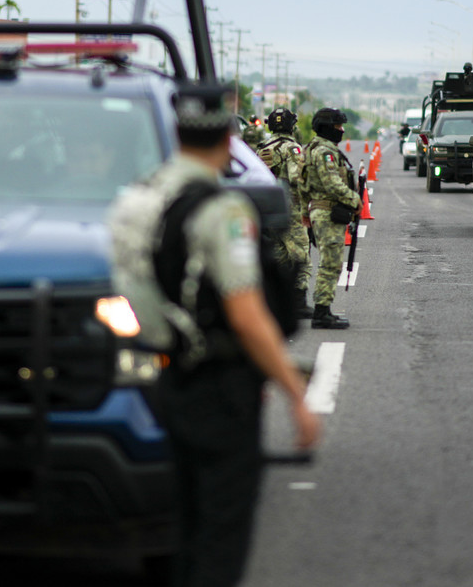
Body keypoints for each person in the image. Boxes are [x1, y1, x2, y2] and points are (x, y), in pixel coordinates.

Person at [112, 84, 321, 587]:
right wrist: (295, 394)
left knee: (183, 524)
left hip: (165, 378)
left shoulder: (135, 198)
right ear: (229, 139)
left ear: (175, 132)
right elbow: (247, 315)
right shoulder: (222, 211)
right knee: (221, 532)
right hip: (220, 386)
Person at [303, 107, 361, 329]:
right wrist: (355, 199)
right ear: (327, 128)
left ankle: (323, 309)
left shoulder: (311, 148)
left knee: (329, 262)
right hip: (327, 212)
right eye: (338, 126)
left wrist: (304, 212)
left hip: (319, 211)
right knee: (330, 264)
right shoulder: (325, 152)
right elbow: (332, 183)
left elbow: (302, 182)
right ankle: (321, 312)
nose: (342, 130)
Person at [256, 107, 314, 318]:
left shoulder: (262, 148)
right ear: (292, 125)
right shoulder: (293, 148)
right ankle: (298, 302)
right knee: (300, 255)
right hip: (290, 208)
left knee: (278, 255)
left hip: (267, 209)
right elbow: (297, 179)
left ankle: (277, 302)